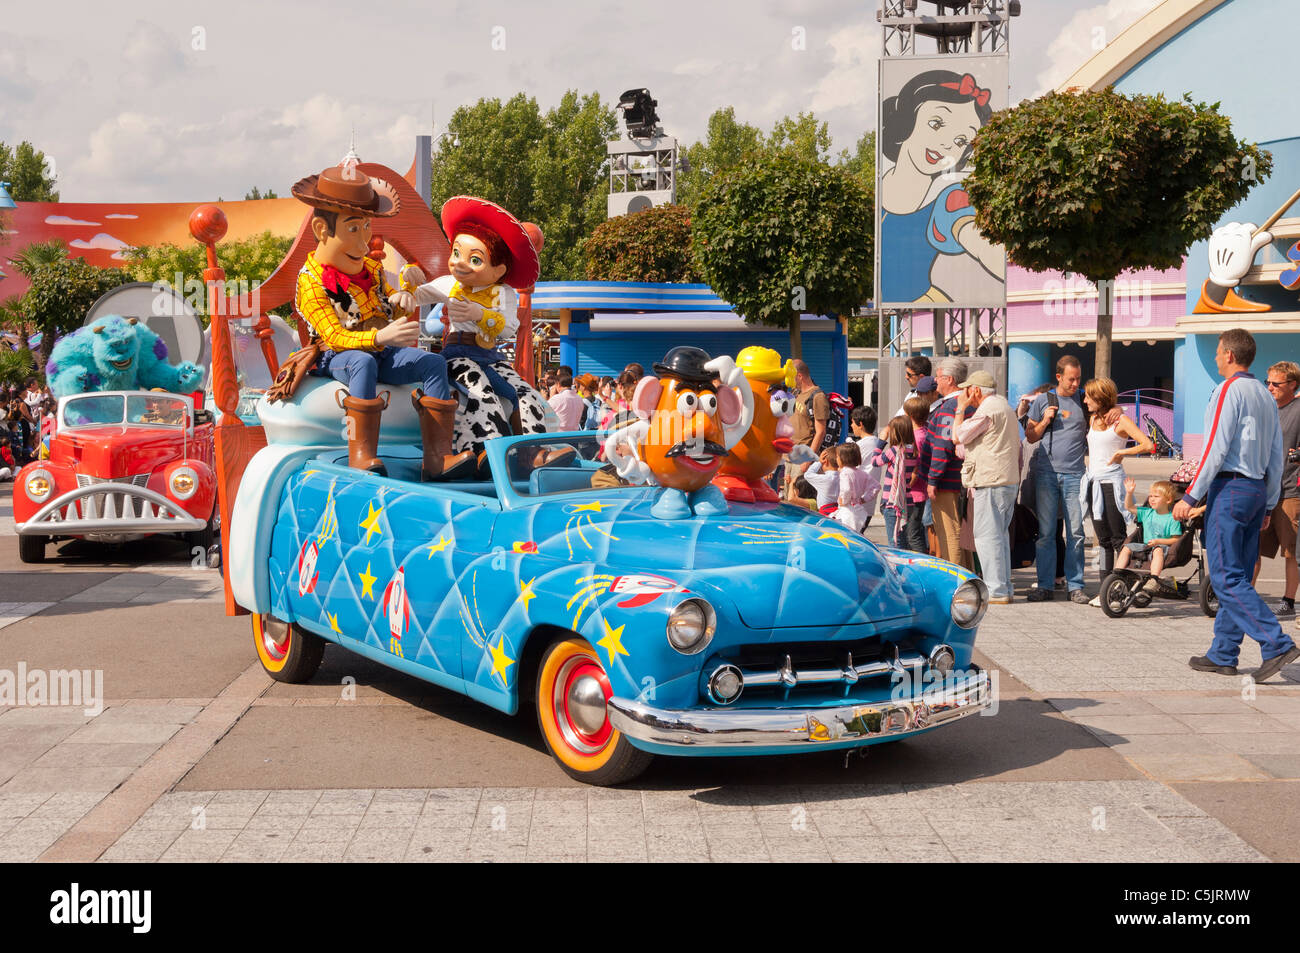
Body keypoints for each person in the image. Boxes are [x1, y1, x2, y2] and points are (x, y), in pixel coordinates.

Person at [292, 159, 474, 481]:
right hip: (337, 355)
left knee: (432, 364)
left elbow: (390, 308)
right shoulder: (311, 282)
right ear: (322, 231)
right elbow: (334, 337)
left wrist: (404, 296)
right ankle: (360, 455)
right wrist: (379, 338)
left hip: (381, 350)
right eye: (352, 229)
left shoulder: (373, 270)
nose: (363, 243)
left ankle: (437, 458)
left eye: (366, 228)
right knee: (363, 362)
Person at [1175, 328, 1300, 681]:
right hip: (1256, 490)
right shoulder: (1264, 393)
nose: (1215, 357)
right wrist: (1269, 503)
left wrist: (1190, 495)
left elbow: (1215, 447)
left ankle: (1276, 643)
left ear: (1230, 355)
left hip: (1229, 489)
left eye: (1217, 352)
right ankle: (1224, 652)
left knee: (1228, 578)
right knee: (1240, 575)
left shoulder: (1228, 390)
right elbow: (1277, 455)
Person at [878, 69, 1001, 304]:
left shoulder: (950, 197)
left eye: (961, 140)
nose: (946, 144)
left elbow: (976, 239)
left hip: (923, 305)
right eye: (936, 123)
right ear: (907, 119)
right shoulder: (872, 192)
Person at [1079, 377, 1154, 599]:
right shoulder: (1092, 418)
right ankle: (1106, 590)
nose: (1084, 401)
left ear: (1100, 398)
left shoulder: (1119, 420)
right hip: (1093, 483)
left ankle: (1125, 585)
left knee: (1118, 539)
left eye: (1089, 397)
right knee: (1102, 541)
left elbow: (1148, 444)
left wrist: (1123, 452)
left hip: (1112, 484)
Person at [1024, 356, 1091, 603]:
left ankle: (1075, 586)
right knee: (1046, 532)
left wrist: (1114, 410)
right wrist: (1045, 420)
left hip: (1075, 474)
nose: (1075, 384)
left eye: (1078, 379)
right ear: (1059, 377)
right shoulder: (1044, 401)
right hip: (1047, 473)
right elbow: (1031, 436)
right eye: (1071, 379)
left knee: (1076, 531)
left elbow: (1108, 408)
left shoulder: (1084, 399)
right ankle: (1045, 585)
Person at [952, 370, 1020, 603]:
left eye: (968, 389)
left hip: (990, 480)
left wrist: (960, 408)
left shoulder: (988, 409)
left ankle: (995, 590)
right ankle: (1003, 587)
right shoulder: (1003, 405)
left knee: (986, 536)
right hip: (1005, 480)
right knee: (998, 536)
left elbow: (958, 435)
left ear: (976, 390)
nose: (965, 393)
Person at [1254, 360, 1300, 616]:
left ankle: (1288, 601)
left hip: (1290, 492)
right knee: (1254, 548)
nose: (1269, 387)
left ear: (1292, 385)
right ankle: (1247, 596)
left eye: (1276, 383)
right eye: (1267, 382)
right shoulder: (1266, 410)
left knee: (1290, 552)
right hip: (1262, 491)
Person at [925, 357, 973, 568]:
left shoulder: (949, 408)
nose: (935, 380)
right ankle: (968, 575)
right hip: (963, 480)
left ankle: (957, 581)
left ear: (950, 379)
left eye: (938, 376)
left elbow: (942, 446)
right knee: (962, 536)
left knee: (949, 533)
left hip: (947, 482)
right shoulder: (970, 405)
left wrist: (933, 479)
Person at [1114, 478, 1199, 586]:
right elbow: (1129, 507)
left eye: (1156, 497)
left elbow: (1176, 539)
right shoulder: (1147, 512)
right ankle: (1118, 574)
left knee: (1157, 550)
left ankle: (1153, 579)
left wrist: (1159, 541)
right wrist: (1129, 493)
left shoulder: (1173, 518)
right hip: (1145, 546)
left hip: (1163, 548)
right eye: (1150, 496)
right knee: (1126, 547)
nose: (1152, 499)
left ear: (1168, 500)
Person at [874, 415, 925, 551]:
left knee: (895, 543)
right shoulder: (913, 451)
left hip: (892, 503)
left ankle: (899, 569)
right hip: (908, 502)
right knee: (904, 541)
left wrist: (881, 441)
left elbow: (875, 462)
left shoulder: (894, 451)